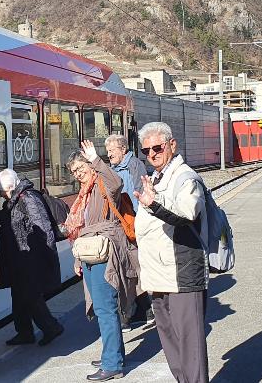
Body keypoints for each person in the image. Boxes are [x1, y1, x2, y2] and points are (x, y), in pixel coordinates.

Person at [133, 122, 209, 383]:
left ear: (171, 145)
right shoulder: (157, 176)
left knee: (190, 344)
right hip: (159, 273)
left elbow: (187, 213)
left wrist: (154, 203)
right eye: (146, 151)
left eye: (157, 148)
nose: (151, 154)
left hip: (182, 271)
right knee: (170, 340)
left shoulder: (185, 177)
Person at [66, 140, 138, 382]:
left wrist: (97, 159)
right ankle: (114, 353)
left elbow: (117, 182)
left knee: (106, 308)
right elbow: (81, 227)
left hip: (104, 252)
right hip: (89, 252)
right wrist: (77, 258)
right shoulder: (85, 193)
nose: (78, 174)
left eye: (80, 168)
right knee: (101, 307)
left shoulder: (102, 184)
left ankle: (112, 363)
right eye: (74, 171)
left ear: (91, 165)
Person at [0, 169, 64, 347]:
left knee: (30, 296)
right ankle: (24, 332)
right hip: (17, 257)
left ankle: (51, 327)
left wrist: (46, 257)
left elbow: (43, 227)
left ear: (8, 187)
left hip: (30, 258)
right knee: (18, 296)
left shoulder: (28, 198)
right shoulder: (14, 200)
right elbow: (9, 217)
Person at [104, 134, 155, 331]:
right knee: (130, 268)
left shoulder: (134, 165)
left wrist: (137, 222)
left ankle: (134, 312)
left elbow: (138, 193)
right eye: (107, 151)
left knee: (132, 268)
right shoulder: (113, 169)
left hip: (132, 223)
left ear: (123, 149)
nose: (109, 155)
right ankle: (143, 309)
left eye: (112, 151)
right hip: (121, 224)